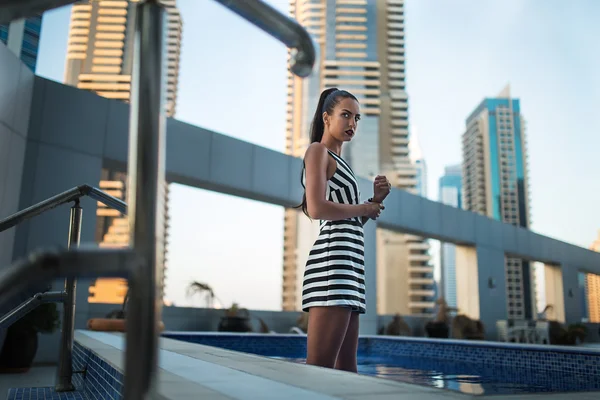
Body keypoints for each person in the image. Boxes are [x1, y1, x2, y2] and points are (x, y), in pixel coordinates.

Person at [296, 87, 391, 372]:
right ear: (326, 118)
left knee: (347, 369)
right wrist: (364, 208)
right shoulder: (317, 151)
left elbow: (345, 221)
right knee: (320, 370)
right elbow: (316, 208)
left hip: (350, 267)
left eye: (357, 118)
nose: (352, 124)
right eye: (346, 115)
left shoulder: (343, 165)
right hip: (332, 265)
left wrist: (374, 201)